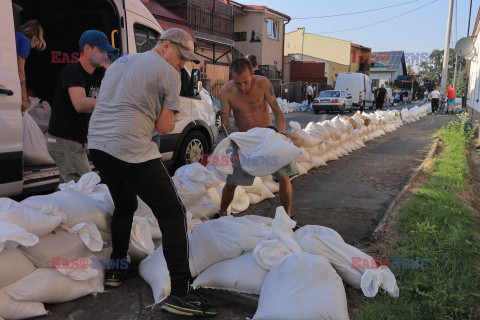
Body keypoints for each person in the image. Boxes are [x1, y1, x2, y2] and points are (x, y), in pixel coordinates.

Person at [87, 28, 217, 317]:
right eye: (180, 56)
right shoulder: (170, 74)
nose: (182, 63)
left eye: (187, 60)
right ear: (165, 45)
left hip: (98, 145)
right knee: (173, 213)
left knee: (125, 204)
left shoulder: (121, 62)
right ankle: (181, 294)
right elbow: (164, 127)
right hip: (131, 147)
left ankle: (116, 270)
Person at [219, 58, 299, 217]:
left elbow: (277, 112)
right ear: (231, 78)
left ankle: (287, 217)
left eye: (246, 82)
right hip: (245, 141)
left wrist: (280, 135)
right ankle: (221, 214)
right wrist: (233, 140)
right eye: (237, 83)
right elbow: (225, 121)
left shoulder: (263, 83)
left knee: (284, 179)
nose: (242, 87)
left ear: (252, 74)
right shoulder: (226, 91)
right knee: (231, 183)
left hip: (268, 137)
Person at [47, 30, 116, 184]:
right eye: (101, 50)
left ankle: (55, 207)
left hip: (77, 141)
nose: (105, 55)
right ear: (86, 48)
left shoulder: (99, 74)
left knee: (67, 186)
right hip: (64, 142)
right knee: (87, 186)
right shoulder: (72, 72)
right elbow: (80, 104)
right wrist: (109, 103)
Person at [15, 20, 46, 112]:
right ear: (36, 38)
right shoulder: (24, 42)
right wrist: (24, 99)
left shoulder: (16, 35)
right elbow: (20, 71)